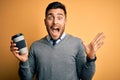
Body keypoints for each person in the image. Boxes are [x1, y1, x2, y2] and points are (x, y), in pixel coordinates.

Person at [10, 1, 105, 80]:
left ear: (65, 22)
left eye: (59, 18)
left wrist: (91, 58)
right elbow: (26, 78)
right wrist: (24, 61)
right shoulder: (35, 46)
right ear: (45, 22)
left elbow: (85, 77)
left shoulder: (77, 43)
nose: (55, 22)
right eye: (50, 17)